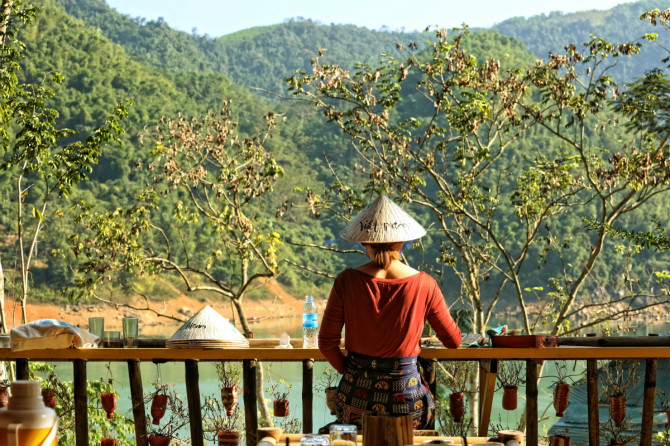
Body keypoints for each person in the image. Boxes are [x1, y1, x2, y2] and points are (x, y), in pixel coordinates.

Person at [318, 194, 462, 430]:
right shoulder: (425, 284)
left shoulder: (346, 281)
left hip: (356, 397)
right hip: (407, 400)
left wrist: (356, 374)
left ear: (364, 243)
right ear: (402, 243)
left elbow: (326, 343)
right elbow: (453, 341)